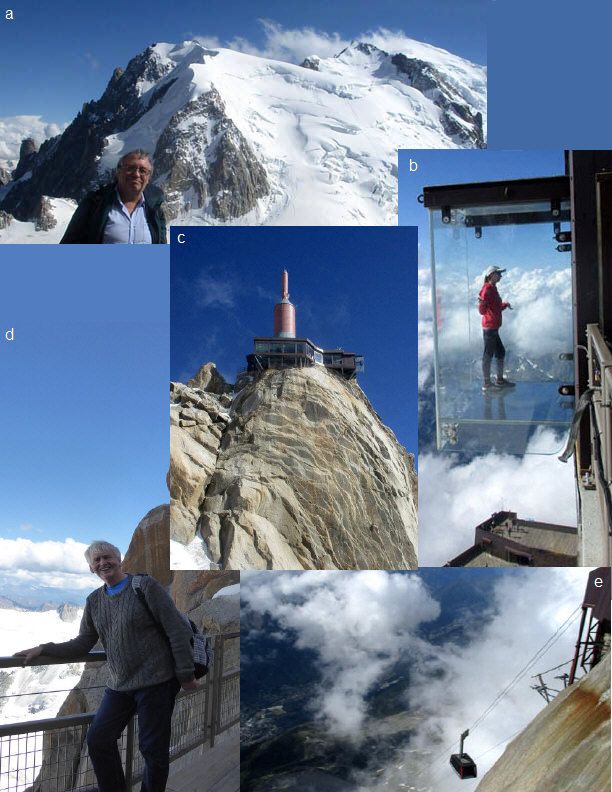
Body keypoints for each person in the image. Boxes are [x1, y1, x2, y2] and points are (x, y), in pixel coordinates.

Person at [15, 540, 196, 792]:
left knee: (152, 749)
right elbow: (81, 644)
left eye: (107, 557)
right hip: (120, 685)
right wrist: (45, 648)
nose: (103, 563)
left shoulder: (145, 587)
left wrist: (185, 673)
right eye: (96, 560)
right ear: (91, 568)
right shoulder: (94, 601)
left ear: (120, 559)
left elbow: (176, 630)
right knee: (98, 739)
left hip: (157, 682)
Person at [60, 150, 167, 244]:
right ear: (118, 172)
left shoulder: (155, 209)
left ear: (148, 178)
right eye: (130, 168)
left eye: (143, 171)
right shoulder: (95, 204)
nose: (136, 174)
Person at [478, 265, 515, 392]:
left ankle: (499, 381)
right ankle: (487, 384)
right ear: (492, 274)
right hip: (489, 327)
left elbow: (495, 306)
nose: (500, 276)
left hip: (493, 327)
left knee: (500, 352)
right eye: (498, 273)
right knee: (488, 354)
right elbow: (482, 310)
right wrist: (482, 303)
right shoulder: (487, 289)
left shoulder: (492, 288)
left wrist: (504, 305)